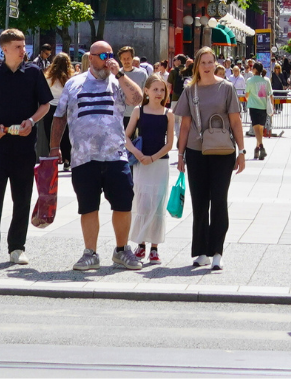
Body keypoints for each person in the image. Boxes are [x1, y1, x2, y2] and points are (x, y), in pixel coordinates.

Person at [48, 40, 147, 271]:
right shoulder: (74, 84)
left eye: (110, 55)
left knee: (123, 204)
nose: (107, 59)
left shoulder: (117, 82)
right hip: (84, 157)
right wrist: (54, 148)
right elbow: (59, 117)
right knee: (88, 206)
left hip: (115, 155)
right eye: (102, 56)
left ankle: (122, 250)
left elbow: (137, 99)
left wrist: (120, 74)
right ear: (90, 58)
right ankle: (90, 253)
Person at [0, 28, 53, 267]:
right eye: (18, 47)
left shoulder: (34, 73)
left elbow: (45, 105)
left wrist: (32, 120)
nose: (23, 50)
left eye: (23, 45)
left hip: (25, 145)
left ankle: (17, 247)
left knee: (22, 198)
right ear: (4, 49)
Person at [174, 47, 246, 270]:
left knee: (219, 201)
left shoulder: (226, 88)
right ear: (196, 65)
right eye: (203, 62)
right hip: (196, 151)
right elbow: (184, 125)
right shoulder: (190, 90)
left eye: (210, 62)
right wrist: (180, 154)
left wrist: (242, 152)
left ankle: (217, 252)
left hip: (223, 151)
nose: (207, 66)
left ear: (216, 64)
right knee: (199, 203)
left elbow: (235, 122)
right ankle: (201, 252)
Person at [125, 73, 175, 264]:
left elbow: (170, 143)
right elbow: (126, 137)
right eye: (155, 89)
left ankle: (154, 247)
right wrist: (139, 156)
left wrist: (153, 158)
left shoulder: (168, 114)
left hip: (159, 163)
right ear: (146, 91)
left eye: (162, 90)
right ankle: (141, 244)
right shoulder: (139, 111)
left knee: (158, 203)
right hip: (141, 163)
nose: (159, 93)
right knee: (142, 202)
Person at [244, 61, 273, 159]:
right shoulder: (266, 80)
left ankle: (261, 147)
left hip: (253, 106)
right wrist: (272, 107)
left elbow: (246, 95)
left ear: (255, 69)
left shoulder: (250, 80)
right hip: (263, 106)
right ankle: (257, 149)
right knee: (260, 128)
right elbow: (270, 94)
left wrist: (250, 99)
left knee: (256, 129)